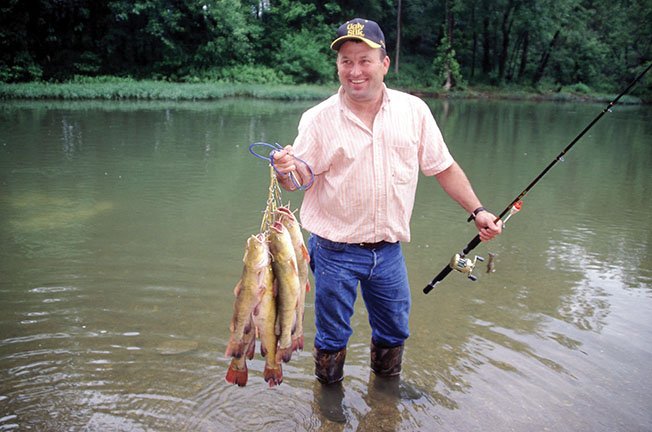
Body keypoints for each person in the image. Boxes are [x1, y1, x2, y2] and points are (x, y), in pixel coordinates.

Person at [272, 18, 502, 385]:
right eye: (346, 61)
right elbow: (297, 178)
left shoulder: (414, 112)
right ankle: (328, 403)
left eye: (365, 60)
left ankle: (385, 396)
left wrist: (478, 210)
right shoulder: (318, 120)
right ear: (338, 67)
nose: (355, 70)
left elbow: (443, 167)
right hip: (333, 252)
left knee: (395, 330)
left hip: (389, 251)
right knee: (332, 337)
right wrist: (284, 170)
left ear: (385, 64)